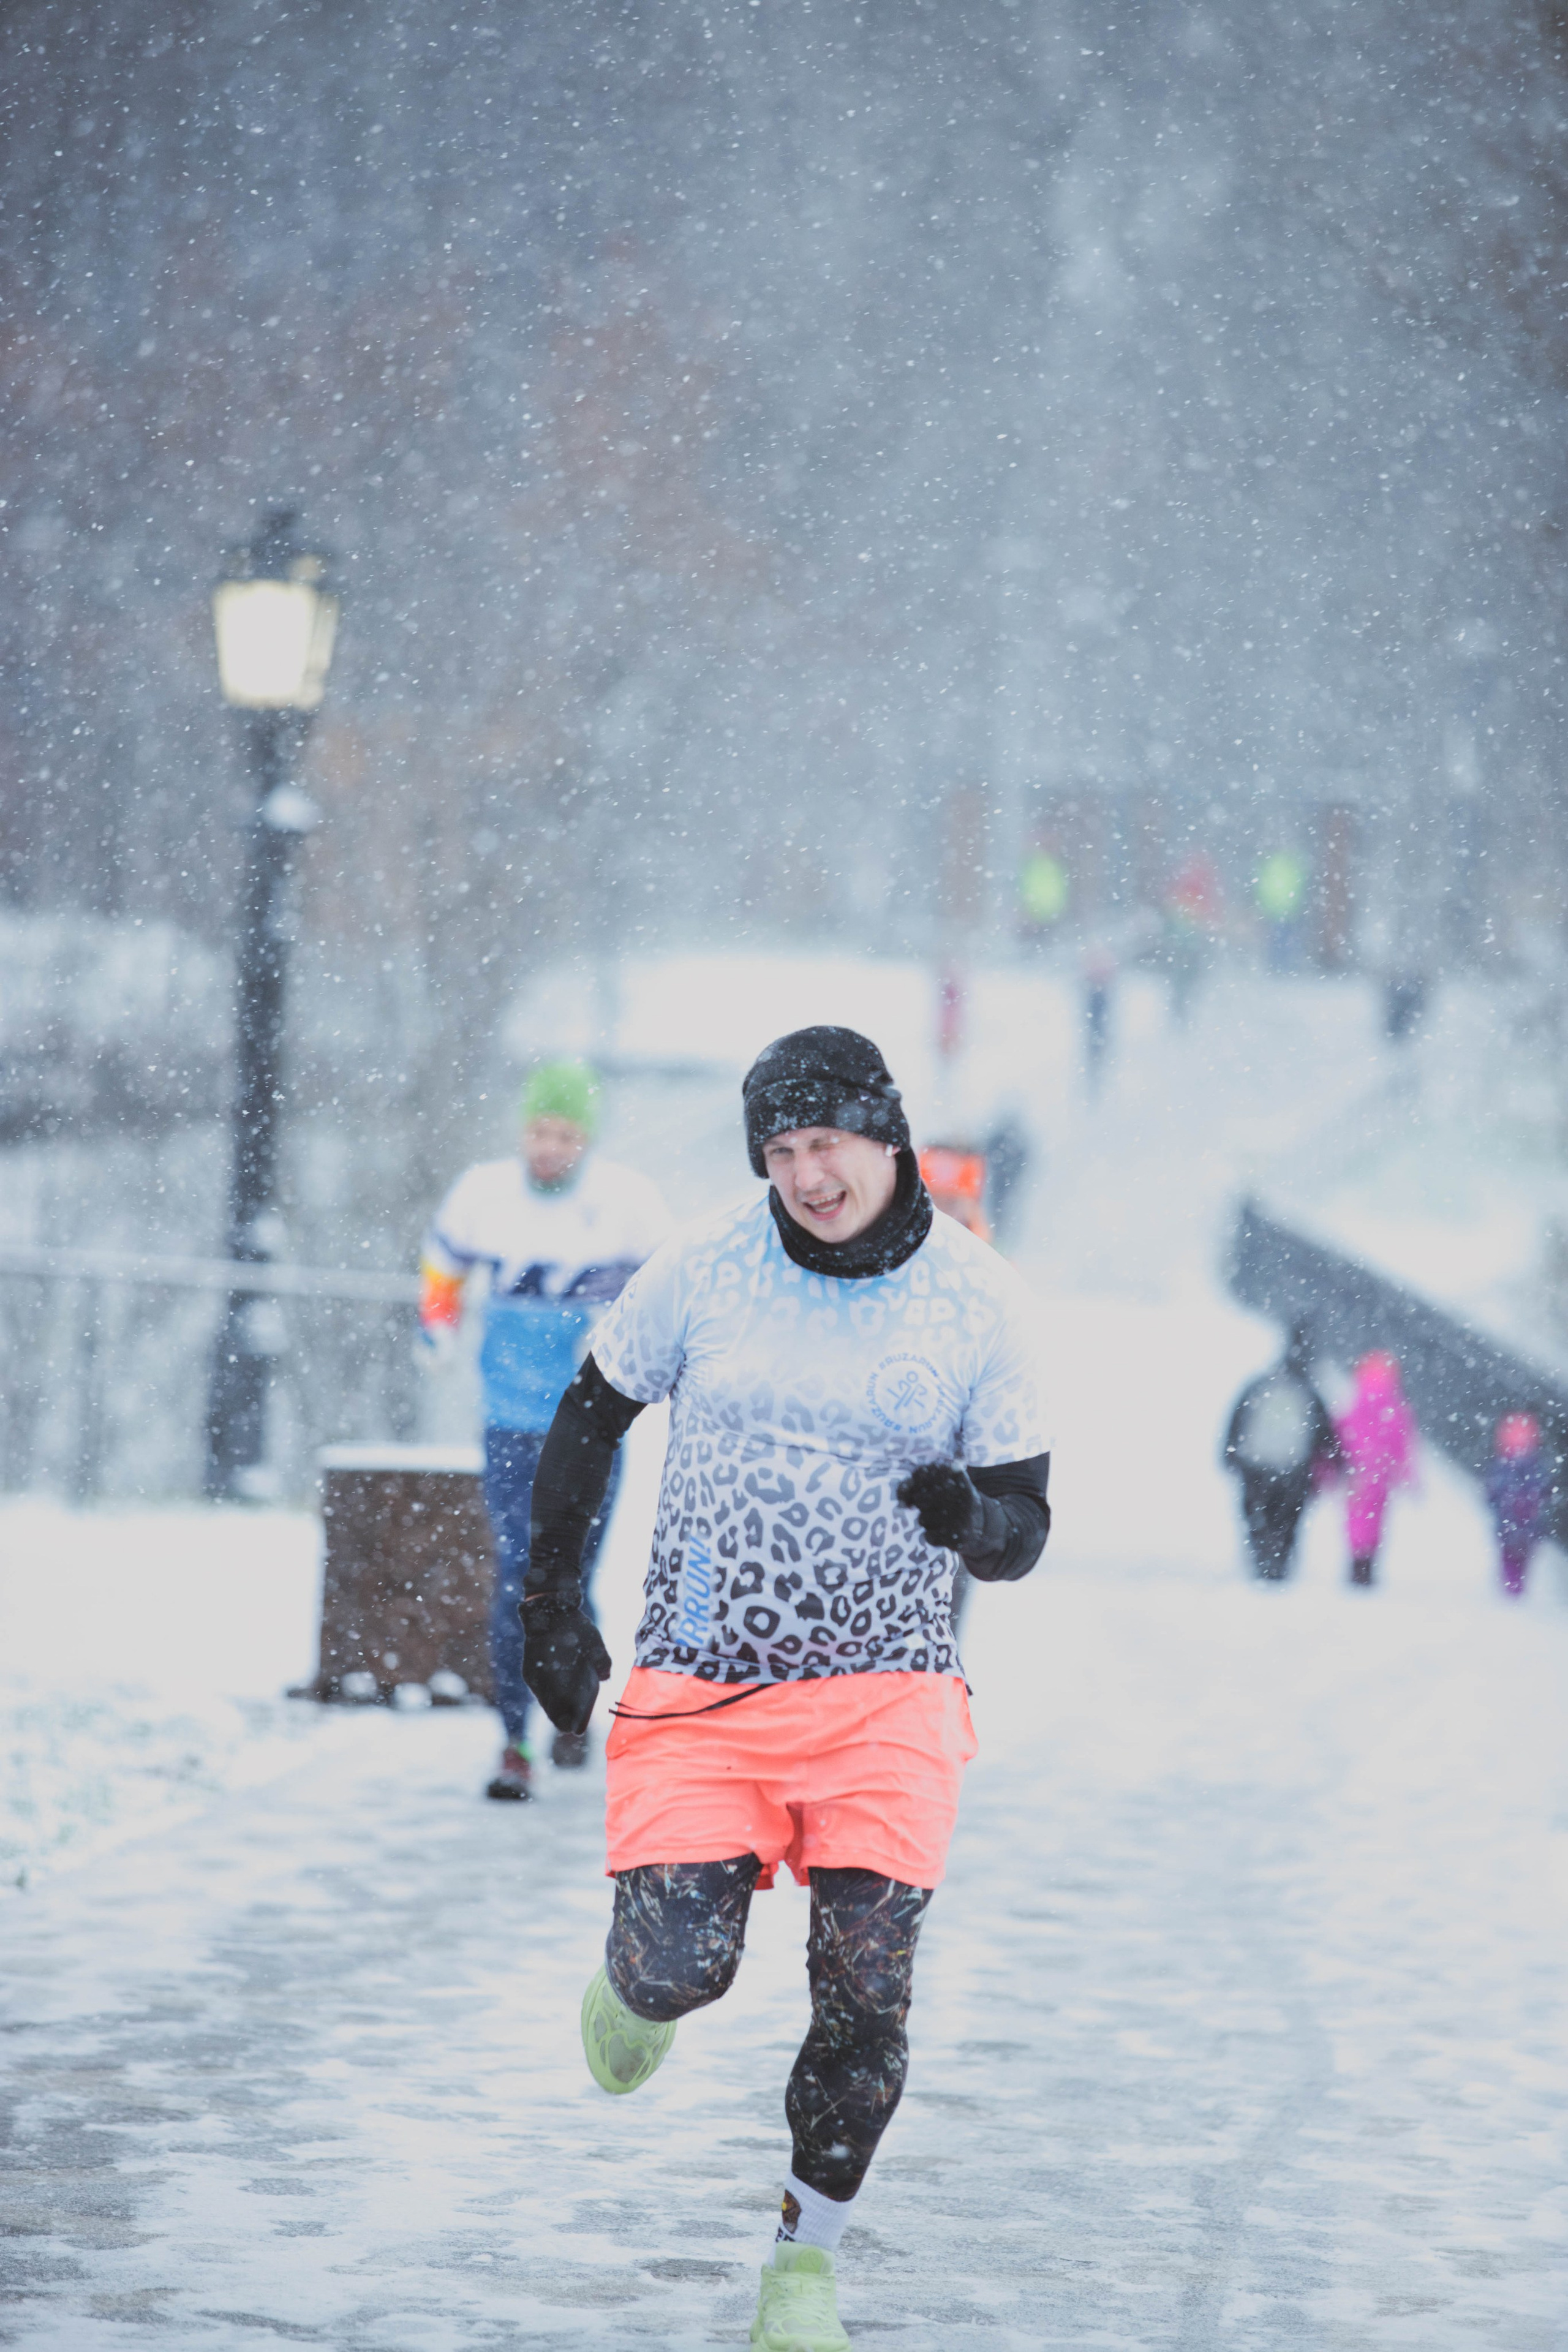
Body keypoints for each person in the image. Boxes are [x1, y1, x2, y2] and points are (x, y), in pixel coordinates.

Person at [517, 1026, 1050, 2352]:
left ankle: (802, 2269)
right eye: (782, 1152)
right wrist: (549, 1603)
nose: (808, 1176)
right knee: (680, 1967)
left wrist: (968, 1517)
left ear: (887, 1135)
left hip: (886, 1700)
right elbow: (590, 1412)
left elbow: (1026, 1529)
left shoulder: (980, 1302)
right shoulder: (705, 1265)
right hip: (706, 1682)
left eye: (828, 1145)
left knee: (865, 1990)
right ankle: (634, 1991)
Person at [418, 1059, 670, 1800]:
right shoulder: (483, 1196)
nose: (549, 1147)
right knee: (518, 1578)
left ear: (586, 1138)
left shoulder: (626, 1204)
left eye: (564, 1133)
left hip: (589, 1426)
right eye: (538, 1130)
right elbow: (442, 1262)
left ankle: (571, 1703)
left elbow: (670, 1289)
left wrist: (628, 1347)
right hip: (507, 1420)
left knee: (569, 1581)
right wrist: (438, 1328)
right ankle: (514, 1741)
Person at [1222, 1324, 1341, 1581]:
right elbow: (1327, 1436)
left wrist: (1229, 1454)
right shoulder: (1309, 1391)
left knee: (1258, 1520)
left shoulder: (1261, 1384)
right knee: (1287, 1523)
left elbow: (1238, 1418)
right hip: (1294, 1470)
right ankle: (1279, 1569)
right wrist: (1339, 1466)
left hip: (1255, 1466)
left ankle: (1260, 1563)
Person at [1334, 1351, 1417, 1587]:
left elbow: (1339, 1437)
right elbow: (1403, 1445)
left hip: (1356, 1473)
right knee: (1376, 1519)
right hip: (1382, 1473)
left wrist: (1330, 1469)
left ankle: (1357, 1559)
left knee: (1356, 1518)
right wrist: (1407, 1475)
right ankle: (1367, 1561)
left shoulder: (1355, 1403)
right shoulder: (1396, 1408)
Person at [1483, 1413, 1550, 1599]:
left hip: (1508, 1520)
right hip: (1528, 1521)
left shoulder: (1502, 1464)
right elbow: (1544, 1488)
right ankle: (1517, 1585)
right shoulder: (1536, 1465)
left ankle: (1511, 1584)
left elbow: (1493, 1491)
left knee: (1509, 1554)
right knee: (1522, 1555)